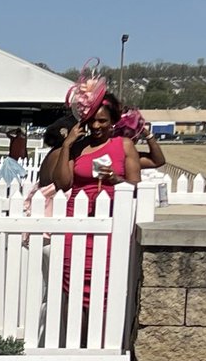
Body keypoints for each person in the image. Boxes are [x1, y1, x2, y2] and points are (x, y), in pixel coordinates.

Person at [52, 92, 140, 325]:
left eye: (102, 120)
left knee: (105, 286)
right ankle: (76, 343)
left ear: (113, 122)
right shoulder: (78, 147)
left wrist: (116, 180)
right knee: (73, 286)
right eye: (92, 120)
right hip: (76, 224)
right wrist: (67, 144)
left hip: (110, 224)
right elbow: (62, 183)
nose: (97, 125)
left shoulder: (124, 145)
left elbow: (135, 187)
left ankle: (102, 341)